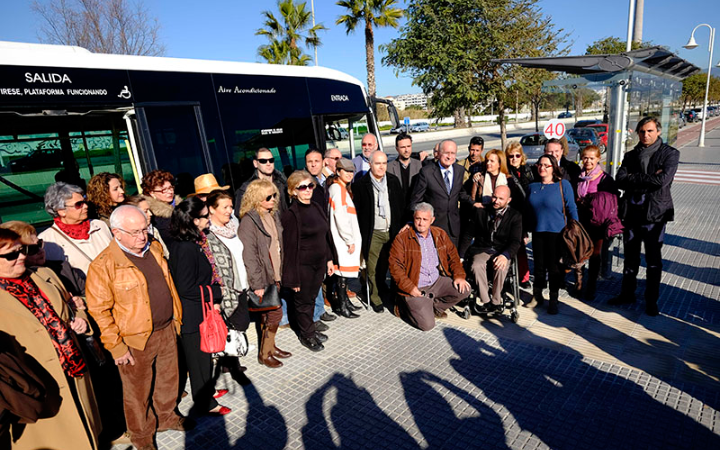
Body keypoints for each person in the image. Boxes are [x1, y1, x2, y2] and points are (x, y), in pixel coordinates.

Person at [86, 205, 187, 450]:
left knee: (168, 380)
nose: (142, 236)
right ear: (116, 233)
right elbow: (99, 311)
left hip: (166, 328)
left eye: (144, 229)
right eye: (134, 232)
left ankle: (166, 417)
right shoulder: (103, 266)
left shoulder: (153, 247)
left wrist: (175, 319)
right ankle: (141, 437)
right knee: (136, 394)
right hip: (134, 340)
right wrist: (117, 347)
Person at [0, 228, 101, 450]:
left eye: (22, 250)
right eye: (11, 255)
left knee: (87, 434)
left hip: (75, 373)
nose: (22, 257)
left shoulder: (44, 274)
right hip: (37, 387)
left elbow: (74, 305)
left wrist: (81, 320)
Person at [168, 198, 231, 416]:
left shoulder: (192, 242)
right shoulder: (185, 248)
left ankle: (208, 391)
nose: (208, 219)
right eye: (205, 216)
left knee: (204, 358)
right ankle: (205, 403)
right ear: (195, 221)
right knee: (198, 361)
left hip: (199, 311)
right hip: (192, 315)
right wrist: (215, 293)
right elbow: (185, 287)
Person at [610, 117, 679, 316]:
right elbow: (620, 180)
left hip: (654, 215)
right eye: (642, 131)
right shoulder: (631, 155)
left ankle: (651, 300)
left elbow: (662, 181)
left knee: (653, 260)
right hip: (631, 213)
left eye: (649, 131)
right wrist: (642, 179)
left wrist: (634, 178)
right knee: (630, 258)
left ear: (658, 132)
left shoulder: (670, 154)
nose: (645, 135)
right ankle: (627, 293)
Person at [389, 203, 471, 331]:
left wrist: (459, 276)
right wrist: (410, 288)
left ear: (432, 220)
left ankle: (435, 307)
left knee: (465, 289)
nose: (421, 223)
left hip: (436, 281)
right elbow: (395, 267)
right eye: (418, 219)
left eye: (425, 219)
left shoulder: (439, 234)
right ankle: (403, 306)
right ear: (413, 218)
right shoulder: (402, 238)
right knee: (427, 325)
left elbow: (453, 257)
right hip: (415, 285)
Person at [238, 180, 292, 367]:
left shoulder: (272, 214)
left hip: (275, 272)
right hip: (263, 275)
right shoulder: (249, 221)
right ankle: (264, 353)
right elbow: (249, 255)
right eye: (268, 197)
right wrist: (257, 284)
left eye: (274, 195)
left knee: (268, 314)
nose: (273, 199)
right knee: (275, 313)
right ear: (256, 198)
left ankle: (271, 347)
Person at [281, 171, 335, 352]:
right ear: (293, 191)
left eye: (310, 186)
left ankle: (309, 328)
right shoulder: (291, 215)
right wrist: (293, 278)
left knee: (311, 298)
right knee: (303, 303)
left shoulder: (316, 207)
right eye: (302, 187)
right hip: (302, 266)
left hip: (319, 263)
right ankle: (307, 335)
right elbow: (289, 249)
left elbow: (324, 236)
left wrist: (329, 259)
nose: (307, 190)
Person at [205, 190, 252, 372]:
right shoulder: (208, 234)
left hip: (242, 281)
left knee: (239, 322)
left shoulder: (234, 226)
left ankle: (230, 360)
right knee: (232, 321)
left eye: (231, 206)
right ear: (211, 209)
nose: (229, 211)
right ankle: (229, 361)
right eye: (225, 207)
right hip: (225, 287)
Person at [353, 151, 405, 313]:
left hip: (391, 231)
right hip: (373, 232)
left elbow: (400, 206)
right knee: (372, 267)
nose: (381, 167)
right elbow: (359, 212)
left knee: (386, 265)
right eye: (378, 163)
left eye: (384, 163)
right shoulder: (361, 185)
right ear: (370, 164)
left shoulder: (393, 181)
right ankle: (375, 297)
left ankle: (382, 288)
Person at [39, 182, 113, 295]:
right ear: (61, 211)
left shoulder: (99, 226)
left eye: (84, 201)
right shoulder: (47, 241)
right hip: (88, 297)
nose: (86, 206)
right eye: (79, 204)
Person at [527, 154, 578, 315]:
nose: (542, 168)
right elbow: (527, 211)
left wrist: (575, 227)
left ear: (554, 167)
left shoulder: (563, 185)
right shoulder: (532, 186)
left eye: (546, 165)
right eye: (540, 165)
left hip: (557, 233)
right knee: (539, 267)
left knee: (554, 268)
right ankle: (537, 295)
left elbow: (572, 208)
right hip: (538, 232)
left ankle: (553, 299)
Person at [463, 186, 522, 312]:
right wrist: (461, 256)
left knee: (501, 266)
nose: (496, 201)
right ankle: (486, 301)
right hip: (482, 248)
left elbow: (516, 241)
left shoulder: (515, 216)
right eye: (494, 197)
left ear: (509, 200)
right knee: (476, 265)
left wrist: (505, 255)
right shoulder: (481, 211)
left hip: (502, 249)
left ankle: (496, 300)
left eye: (501, 199)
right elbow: (468, 234)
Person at [575, 145, 621, 300]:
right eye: (585, 157)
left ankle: (591, 286)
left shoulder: (605, 179)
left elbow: (612, 202)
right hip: (581, 220)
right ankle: (579, 283)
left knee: (595, 255)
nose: (588, 161)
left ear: (598, 159)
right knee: (579, 253)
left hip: (598, 223)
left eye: (592, 158)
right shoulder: (579, 176)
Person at [410, 139, 472, 249]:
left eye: (452, 153)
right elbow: (416, 200)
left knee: (451, 262)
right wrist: (419, 222)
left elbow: (459, 193)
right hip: (433, 227)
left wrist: (474, 203)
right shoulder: (427, 172)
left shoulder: (460, 170)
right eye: (446, 153)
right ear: (439, 154)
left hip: (453, 228)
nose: (449, 156)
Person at [326, 158, 362, 319]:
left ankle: (345, 302)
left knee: (344, 274)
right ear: (338, 172)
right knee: (341, 274)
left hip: (344, 238)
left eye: (351, 171)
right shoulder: (337, 189)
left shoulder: (341, 188)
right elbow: (340, 217)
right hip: (343, 240)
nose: (349, 174)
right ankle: (342, 306)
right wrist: (349, 240)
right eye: (345, 171)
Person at [505, 141, 533, 288]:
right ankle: (508, 276)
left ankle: (524, 277)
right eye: (511, 156)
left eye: (517, 155)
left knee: (521, 248)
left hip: (524, 215)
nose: (514, 158)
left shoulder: (528, 171)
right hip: (509, 215)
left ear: (522, 156)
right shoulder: (505, 173)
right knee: (509, 247)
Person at [234, 148, 289, 217]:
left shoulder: (282, 183)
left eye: (271, 160)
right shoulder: (246, 188)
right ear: (255, 163)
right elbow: (240, 213)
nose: (268, 163)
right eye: (263, 161)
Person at [141, 169, 182, 244]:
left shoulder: (182, 207)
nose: (170, 192)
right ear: (152, 193)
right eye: (164, 190)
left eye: (170, 187)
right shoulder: (152, 216)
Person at [122, 194, 170, 259]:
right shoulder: (128, 239)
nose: (150, 214)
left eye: (149, 210)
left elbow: (166, 256)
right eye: (145, 211)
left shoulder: (154, 230)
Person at [387, 132, 422, 202]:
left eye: (408, 146)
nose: (406, 150)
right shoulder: (389, 167)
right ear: (397, 148)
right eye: (403, 147)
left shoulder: (419, 165)